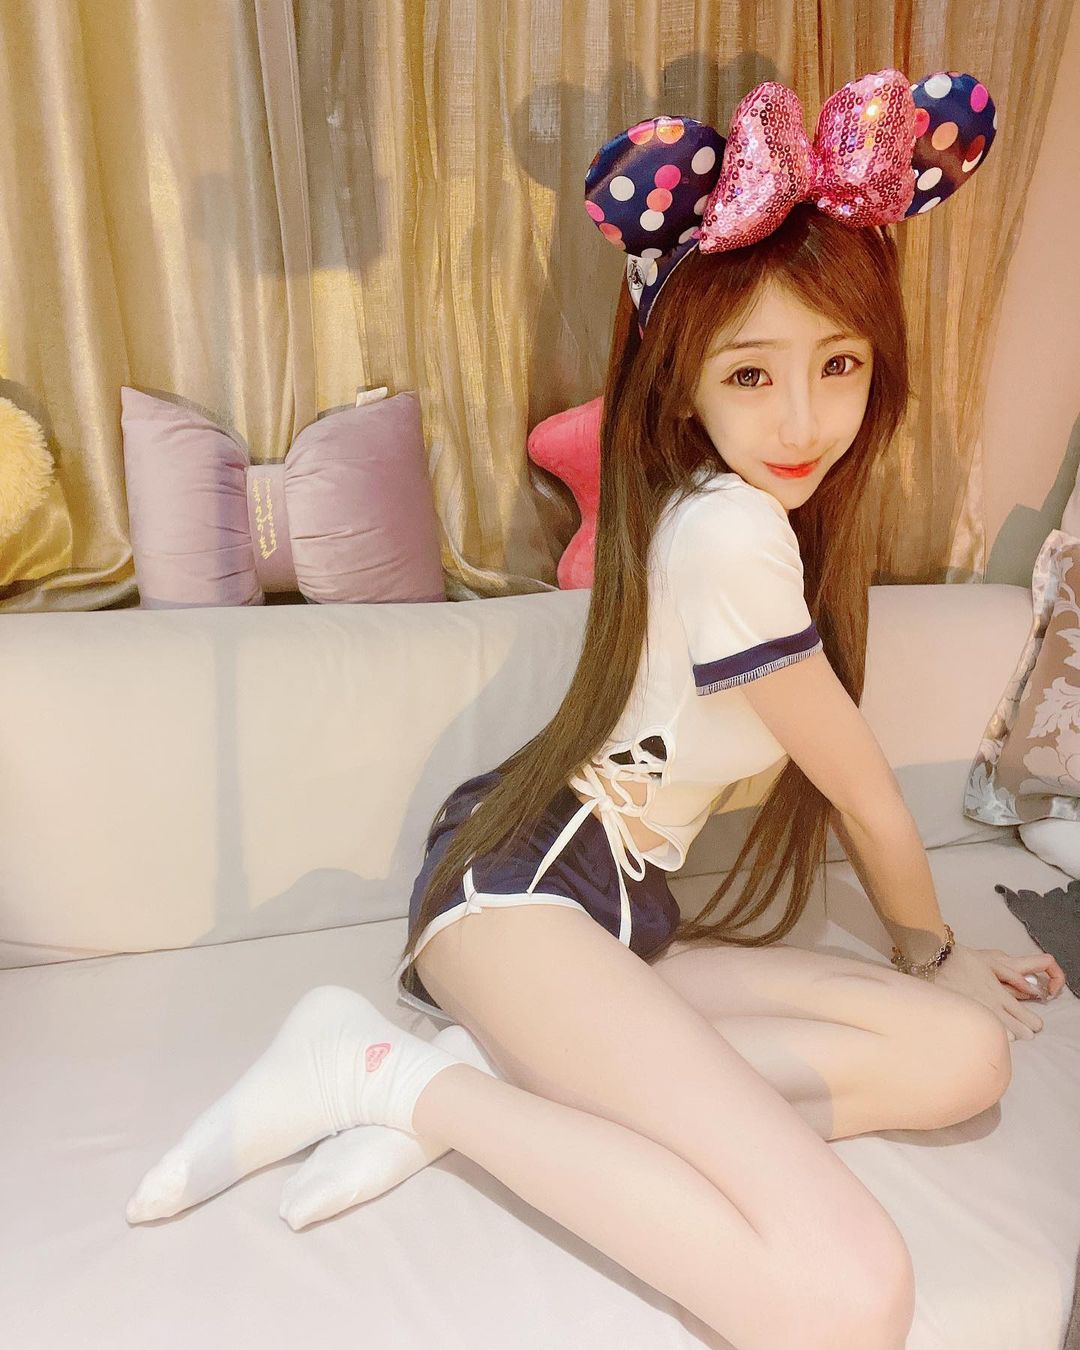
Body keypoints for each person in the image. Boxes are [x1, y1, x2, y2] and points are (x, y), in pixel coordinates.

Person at [126, 65, 1062, 1350]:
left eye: (840, 363)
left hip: (621, 917)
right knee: (849, 1297)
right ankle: (396, 1082)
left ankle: (510, 1071)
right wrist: (934, 950)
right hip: (518, 895)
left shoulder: (749, 517)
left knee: (964, 1061)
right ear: (683, 386)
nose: (804, 418)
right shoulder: (729, 534)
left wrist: (943, 979)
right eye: (751, 375)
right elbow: (864, 796)